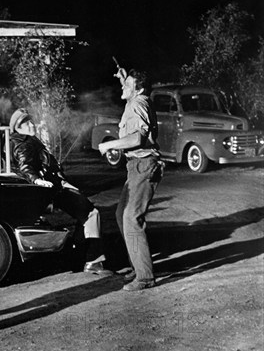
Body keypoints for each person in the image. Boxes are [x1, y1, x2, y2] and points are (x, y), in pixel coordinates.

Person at [9, 109, 113, 276]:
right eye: (26, 123)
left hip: (57, 185)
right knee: (91, 214)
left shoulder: (29, 140)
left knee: (87, 216)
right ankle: (93, 261)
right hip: (54, 189)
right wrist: (36, 179)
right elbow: (26, 166)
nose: (31, 124)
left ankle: (81, 258)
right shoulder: (24, 143)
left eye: (31, 121)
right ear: (17, 127)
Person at [98, 67, 163, 291]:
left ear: (140, 88)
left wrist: (109, 144)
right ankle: (138, 265)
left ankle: (145, 277)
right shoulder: (135, 100)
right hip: (135, 166)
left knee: (131, 217)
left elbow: (137, 138)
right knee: (121, 214)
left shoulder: (138, 103)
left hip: (143, 166)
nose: (122, 87)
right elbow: (131, 87)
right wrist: (124, 75)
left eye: (127, 84)